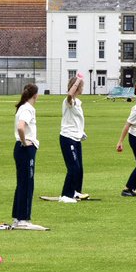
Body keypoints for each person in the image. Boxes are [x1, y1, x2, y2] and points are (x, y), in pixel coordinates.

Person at [11, 84, 46, 229]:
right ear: (35, 95)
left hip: (22, 149)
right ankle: (23, 219)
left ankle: (17, 217)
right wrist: (25, 142)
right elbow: (21, 127)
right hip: (26, 149)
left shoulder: (23, 107)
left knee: (22, 183)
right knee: (27, 183)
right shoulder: (27, 109)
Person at [58, 73, 87, 203]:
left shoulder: (78, 102)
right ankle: (65, 195)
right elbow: (70, 94)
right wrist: (78, 80)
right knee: (73, 167)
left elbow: (76, 120)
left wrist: (81, 132)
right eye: (81, 86)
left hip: (76, 137)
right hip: (67, 137)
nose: (82, 88)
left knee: (79, 168)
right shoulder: (68, 101)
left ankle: (75, 192)